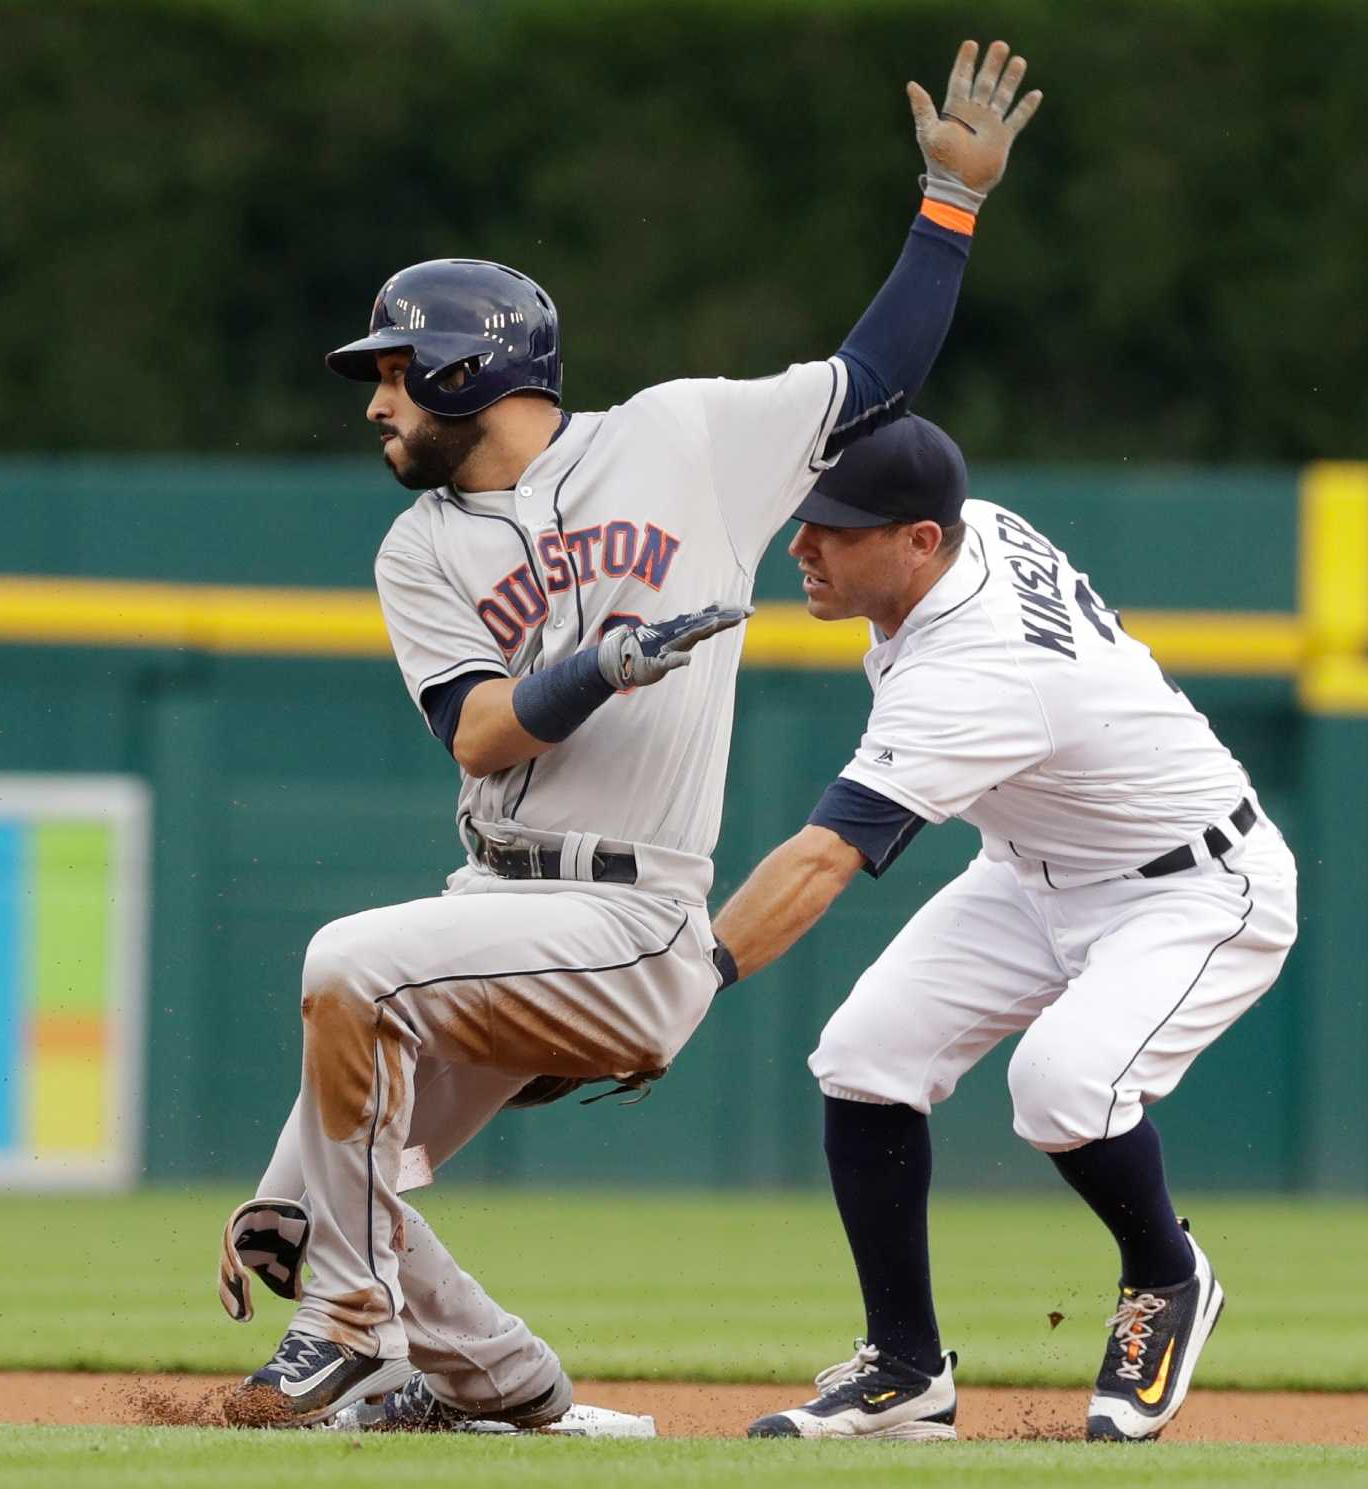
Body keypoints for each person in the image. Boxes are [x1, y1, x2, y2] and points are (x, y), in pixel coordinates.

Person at [215, 42, 1044, 1428]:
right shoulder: (417, 551)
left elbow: (873, 376)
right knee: (295, 1210)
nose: (375, 401)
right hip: (492, 906)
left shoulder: (685, 437)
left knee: (342, 965)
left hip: (636, 918)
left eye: (396, 372)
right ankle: (504, 1385)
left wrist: (946, 208)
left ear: (473, 367)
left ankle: (354, 1327)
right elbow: (482, 735)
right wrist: (598, 667)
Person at [713, 416, 1298, 1443]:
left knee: (1061, 1085)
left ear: (918, 542)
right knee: (862, 1057)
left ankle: (1166, 1274)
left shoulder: (978, 670)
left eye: (834, 527)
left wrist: (685, 980)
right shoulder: (961, 526)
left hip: (1193, 886)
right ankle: (902, 1371)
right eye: (803, 518)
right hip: (1033, 873)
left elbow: (821, 859)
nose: (801, 545)